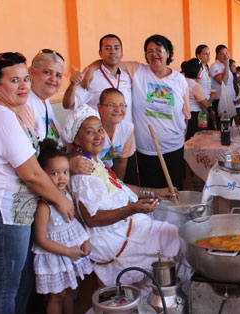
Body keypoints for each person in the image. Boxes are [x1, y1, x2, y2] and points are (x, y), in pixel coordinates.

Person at [0, 52, 74, 314]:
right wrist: (61, 199)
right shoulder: (1, 117)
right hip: (4, 215)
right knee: (4, 289)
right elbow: (31, 174)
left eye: (26, 79)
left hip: (6, 213)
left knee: (12, 284)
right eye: (14, 80)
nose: (23, 85)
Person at [62, 104, 189, 295]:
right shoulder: (83, 171)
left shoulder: (93, 161)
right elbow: (92, 219)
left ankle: (156, 294)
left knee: (177, 224)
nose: (98, 136)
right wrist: (131, 210)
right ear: (77, 139)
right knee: (178, 236)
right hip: (110, 238)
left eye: (99, 130)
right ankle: (166, 296)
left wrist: (154, 192)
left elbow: (119, 186)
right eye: (90, 132)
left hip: (123, 225)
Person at [82, 34, 190, 190]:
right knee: (151, 192)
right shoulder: (137, 70)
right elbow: (110, 60)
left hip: (174, 147)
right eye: (149, 51)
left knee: (175, 189)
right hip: (146, 150)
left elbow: (186, 115)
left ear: (168, 53)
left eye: (159, 50)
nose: (154, 54)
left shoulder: (179, 80)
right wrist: (91, 68)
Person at [63, 34, 138, 186]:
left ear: (122, 53)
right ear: (100, 53)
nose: (112, 51)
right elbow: (68, 104)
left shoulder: (127, 75)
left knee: (123, 184)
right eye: (107, 48)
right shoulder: (90, 77)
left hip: (122, 141)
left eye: (116, 48)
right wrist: (72, 84)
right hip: (96, 143)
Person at [32, 139, 93, 314]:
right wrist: (67, 251)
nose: (62, 177)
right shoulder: (44, 205)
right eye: (54, 173)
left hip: (70, 253)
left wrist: (85, 240)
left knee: (69, 293)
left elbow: (75, 222)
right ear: (42, 174)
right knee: (57, 296)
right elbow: (41, 239)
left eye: (65, 172)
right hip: (55, 257)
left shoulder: (66, 196)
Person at [18, 49, 65, 143]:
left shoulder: (45, 101)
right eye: (47, 72)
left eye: (58, 75)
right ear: (31, 72)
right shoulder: (24, 102)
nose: (53, 79)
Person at [97, 88, 135, 180]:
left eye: (122, 105)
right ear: (99, 107)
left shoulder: (127, 128)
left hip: (109, 173)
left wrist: (118, 187)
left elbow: (121, 161)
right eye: (111, 105)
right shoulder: (92, 129)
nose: (118, 110)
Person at [185, 58, 216, 139]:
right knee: (196, 140)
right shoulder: (195, 85)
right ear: (197, 71)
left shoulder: (183, 81)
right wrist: (212, 97)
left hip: (185, 114)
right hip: (195, 116)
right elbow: (206, 104)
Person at [210, 44, 236, 129]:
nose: (225, 55)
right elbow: (223, 82)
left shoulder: (226, 66)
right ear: (217, 55)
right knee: (222, 126)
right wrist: (227, 65)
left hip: (230, 98)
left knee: (229, 125)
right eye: (222, 53)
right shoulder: (215, 66)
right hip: (221, 99)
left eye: (226, 53)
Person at [195, 44, 216, 126]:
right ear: (198, 56)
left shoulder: (206, 68)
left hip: (208, 102)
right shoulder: (198, 69)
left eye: (209, 54)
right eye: (205, 54)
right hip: (201, 106)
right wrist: (204, 107)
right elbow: (196, 88)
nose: (208, 56)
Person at [230, 59, 240, 125]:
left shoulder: (237, 76)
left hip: (237, 104)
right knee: (228, 125)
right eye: (233, 66)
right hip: (229, 104)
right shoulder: (227, 78)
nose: (235, 68)